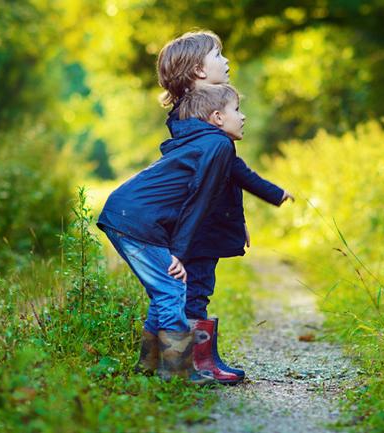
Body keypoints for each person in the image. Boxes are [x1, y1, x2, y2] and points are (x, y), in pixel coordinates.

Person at [155, 31, 293, 385]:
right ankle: (185, 367)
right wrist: (274, 194)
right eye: (218, 55)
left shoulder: (193, 120)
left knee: (196, 290)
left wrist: (240, 218)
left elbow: (225, 180)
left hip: (201, 225)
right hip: (193, 228)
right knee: (193, 292)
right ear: (198, 71)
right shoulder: (203, 127)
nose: (227, 62)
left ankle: (192, 361)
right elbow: (222, 177)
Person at [97, 83, 246, 385]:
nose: (242, 117)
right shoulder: (216, 145)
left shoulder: (203, 144)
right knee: (172, 288)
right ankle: (179, 371)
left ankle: (148, 366)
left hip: (127, 216)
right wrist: (178, 250)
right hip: (134, 220)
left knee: (164, 290)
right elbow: (197, 202)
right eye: (237, 110)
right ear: (217, 116)